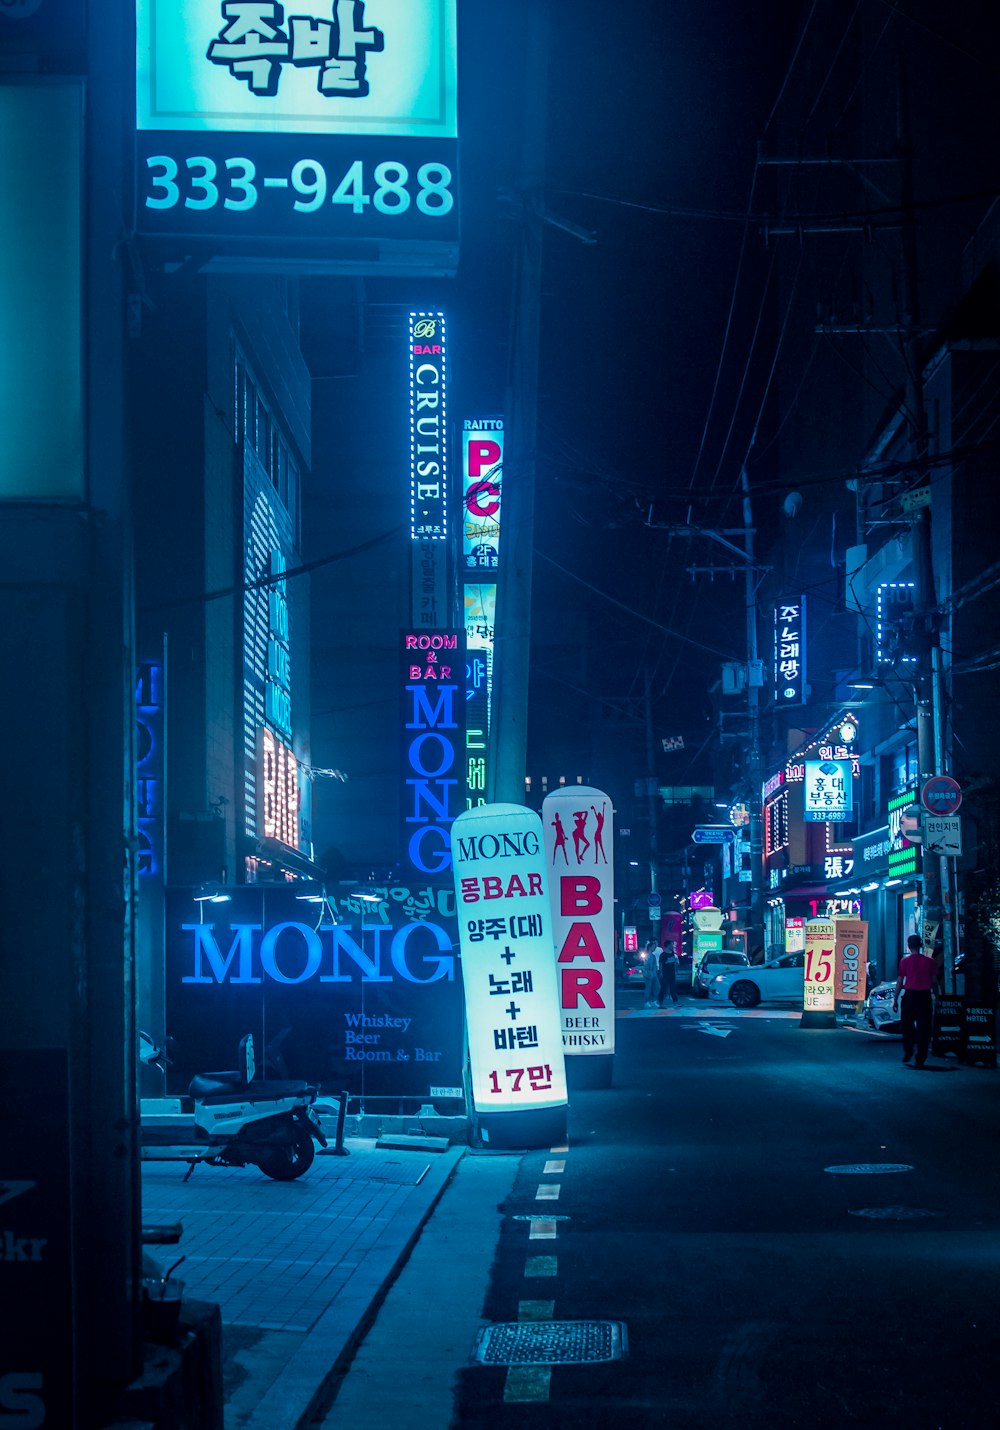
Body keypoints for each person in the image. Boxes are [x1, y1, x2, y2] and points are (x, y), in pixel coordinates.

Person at [892, 933, 941, 1067]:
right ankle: (920, 1058)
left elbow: (900, 980)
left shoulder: (905, 961)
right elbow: (934, 982)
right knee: (923, 1028)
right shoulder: (930, 962)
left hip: (910, 996)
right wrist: (937, 998)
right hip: (924, 997)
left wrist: (895, 999)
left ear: (908, 946)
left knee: (907, 1026)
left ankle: (908, 1051)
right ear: (920, 945)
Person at [658, 939, 680, 1007]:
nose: (672, 946)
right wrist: (661, 972)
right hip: (665, 973)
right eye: (671, 944)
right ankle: (660, 1003)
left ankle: (675, 1003)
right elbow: (660, 964)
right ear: (668, 945)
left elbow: (674, 964)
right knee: (663, 988)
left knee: (673, 988)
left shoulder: (673, 953)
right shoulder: (663, 955)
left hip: (672, 973)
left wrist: (675, 972)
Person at [643, 937, 662, 1007]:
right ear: (650, 947)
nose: (654, 948)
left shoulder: (653, 956)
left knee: (657, 987)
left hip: (654, 974)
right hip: (648, 974)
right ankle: (646, 1002)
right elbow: (646, 965)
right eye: (653, 947)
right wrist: (648, 973)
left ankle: (653, 1000)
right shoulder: (647, 955)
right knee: (648, 988)